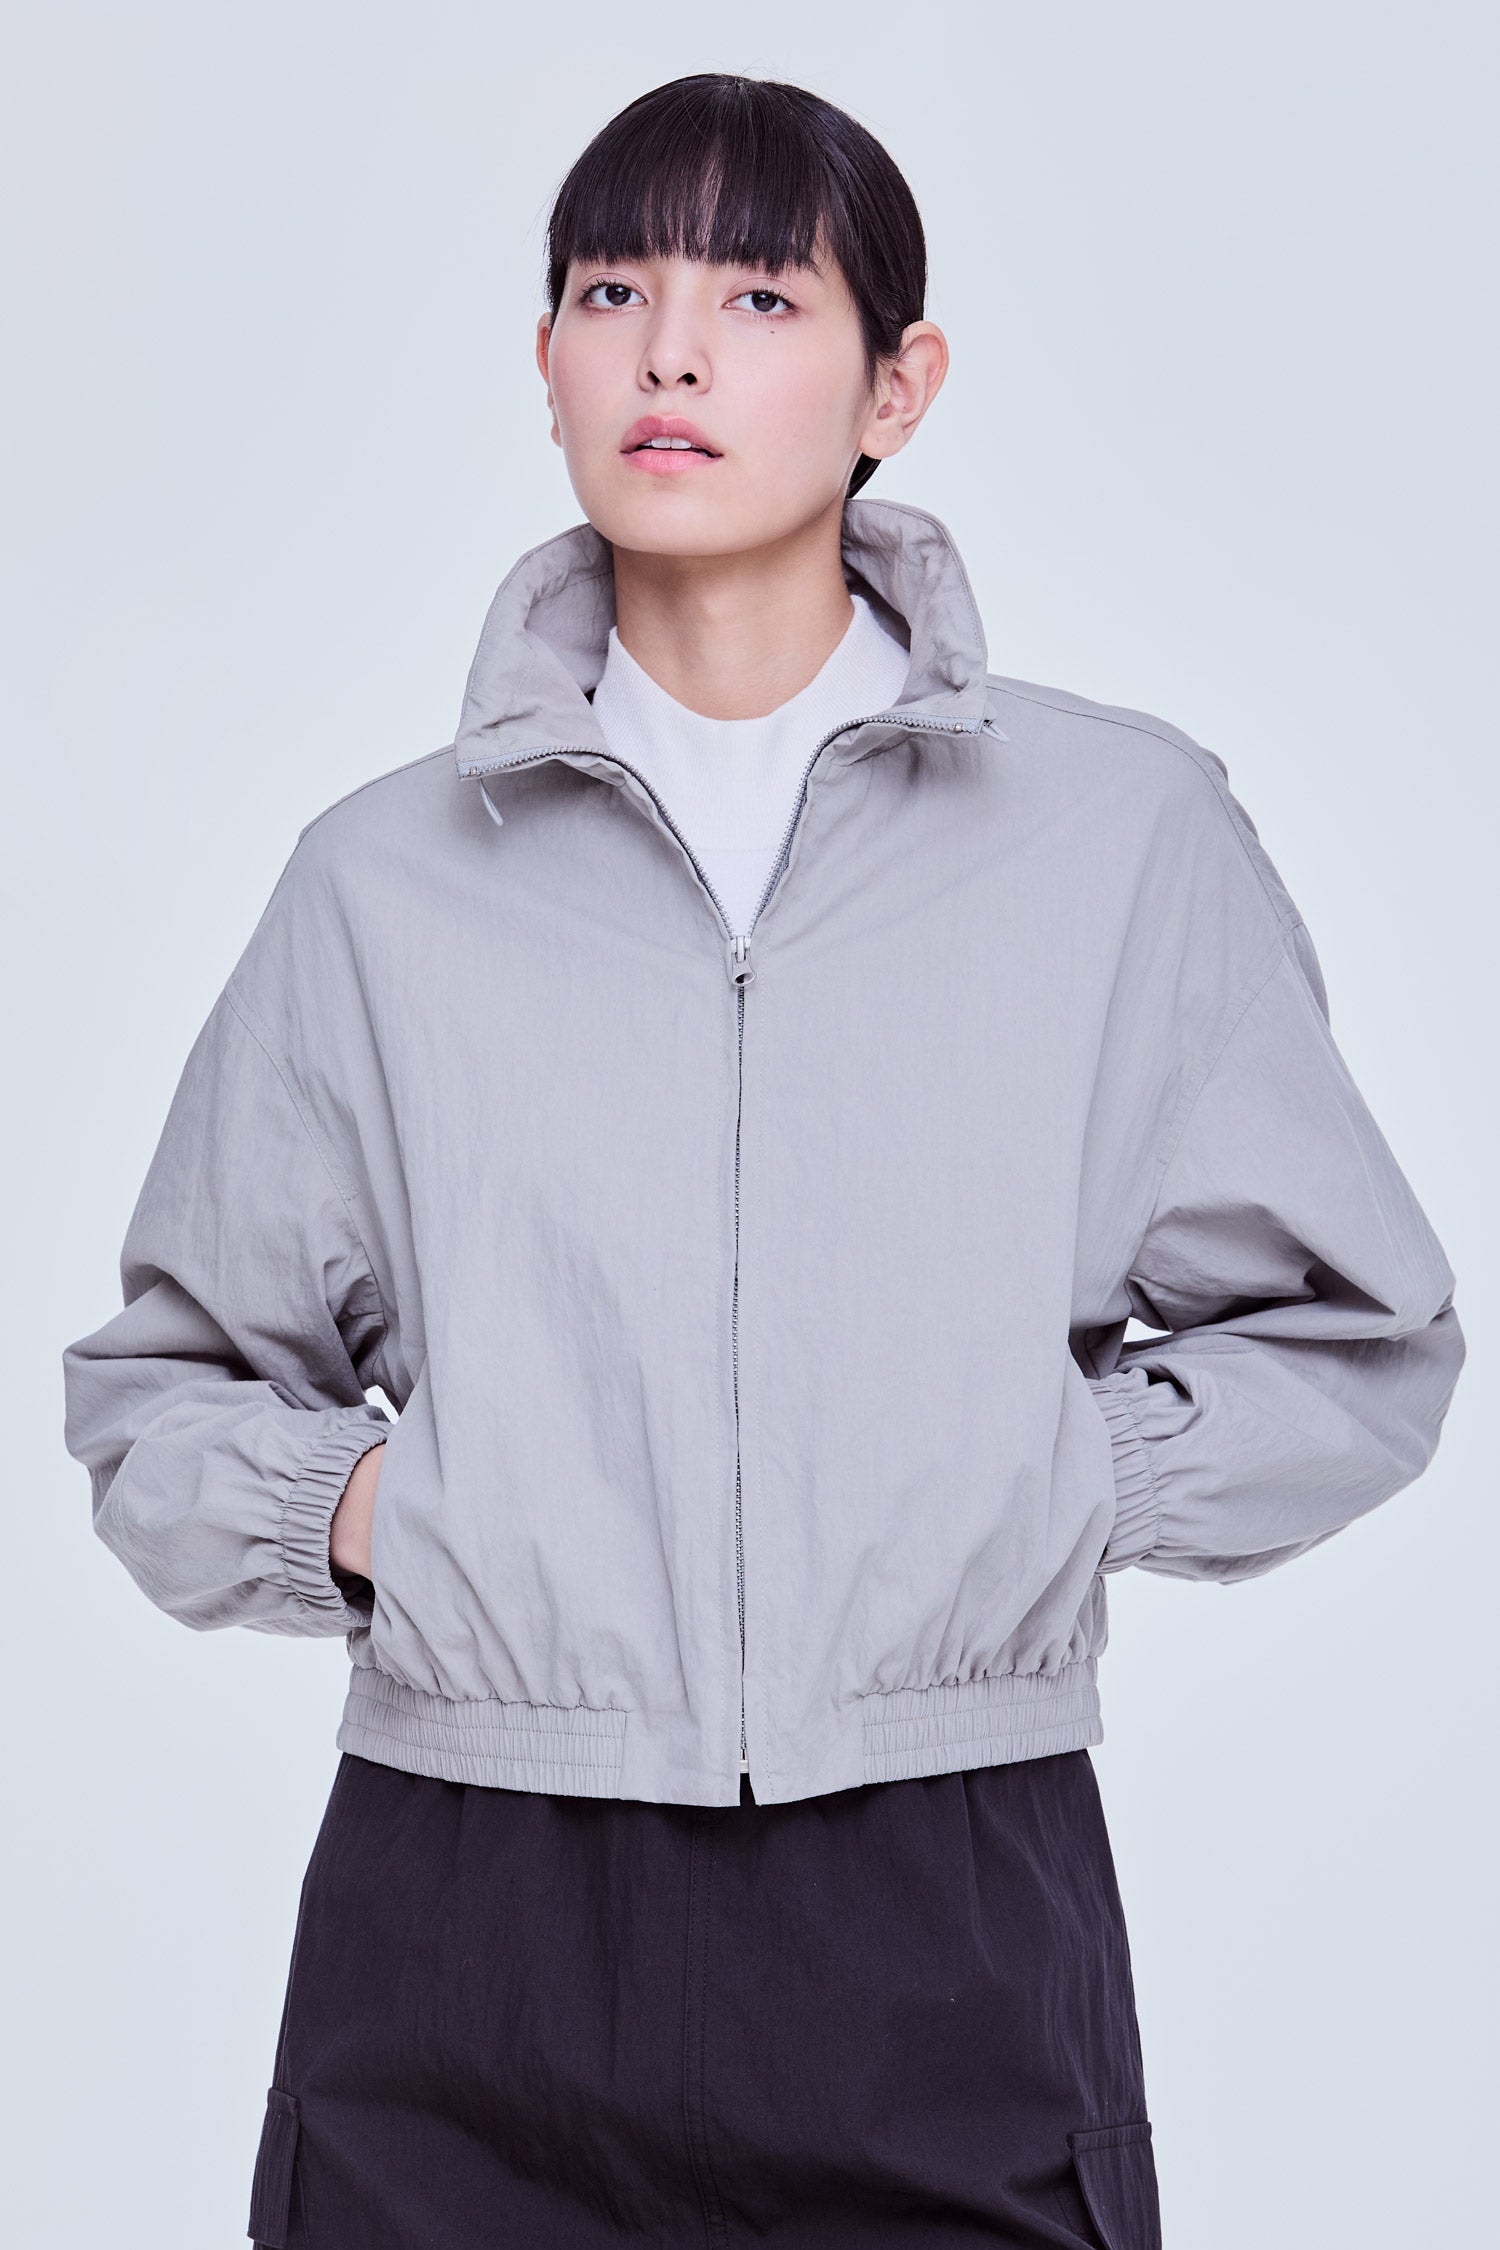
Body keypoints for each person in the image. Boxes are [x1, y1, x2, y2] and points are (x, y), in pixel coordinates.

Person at [61, 72, 1465, 2250]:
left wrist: (1051, 1478)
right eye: (613, 291)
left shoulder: (1121, 840)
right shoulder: (382, 884)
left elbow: (1358, 1337)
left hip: (947, 1902)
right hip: (470, 1902)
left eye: (759, 295)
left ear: (900, 383)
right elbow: (162, 1394)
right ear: (546, 366)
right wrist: (386, 1517)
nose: (674, 352)